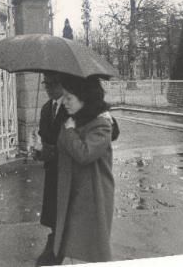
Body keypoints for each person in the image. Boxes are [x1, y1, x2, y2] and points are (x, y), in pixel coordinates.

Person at [53, 74, 116, 264]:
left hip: (92, 196)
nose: (64, 102)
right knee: (73, 248)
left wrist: (70, 132)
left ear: (84, 98)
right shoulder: (75, 119)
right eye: (63, 97)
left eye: (69, 97)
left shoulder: (102, 125)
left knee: (87, 250)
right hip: (73, 193)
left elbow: (85, 154)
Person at [34, 72, 68, 266]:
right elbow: (43, 135)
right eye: (46, 84)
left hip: (66, 168)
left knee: (64, 211)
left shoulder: (72, 106)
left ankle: (57, 250)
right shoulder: (47, 108)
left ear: (61, 85)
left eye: (52, 84)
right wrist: (38, 149)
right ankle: (55, 241)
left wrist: (54, 149)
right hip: (51, 168)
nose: (48, 88)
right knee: (53, 210)